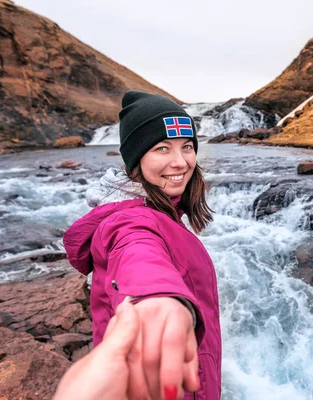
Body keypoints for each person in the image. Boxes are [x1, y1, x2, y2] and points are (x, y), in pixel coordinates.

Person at [63, 91, 221, 400]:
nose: (181, 162)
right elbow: (138, 254)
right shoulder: (128, 221)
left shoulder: (161, 207)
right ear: (137, 158)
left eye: (187, 147)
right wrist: (155, 300)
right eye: (162, 148)